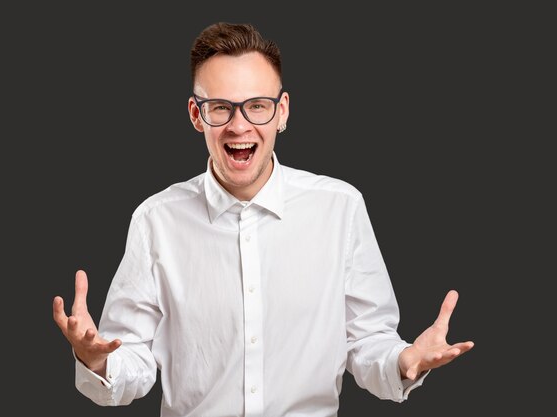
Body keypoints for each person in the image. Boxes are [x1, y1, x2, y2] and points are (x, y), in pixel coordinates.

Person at [52, 22, 474, 417]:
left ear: (283, 111)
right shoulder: (155, 220)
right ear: (197, 115)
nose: (240, 126)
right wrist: (98, 360)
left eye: (257, 106)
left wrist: (405, 360)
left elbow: (367, 343)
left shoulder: (340, 207)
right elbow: (133, 362)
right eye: (220, 107)